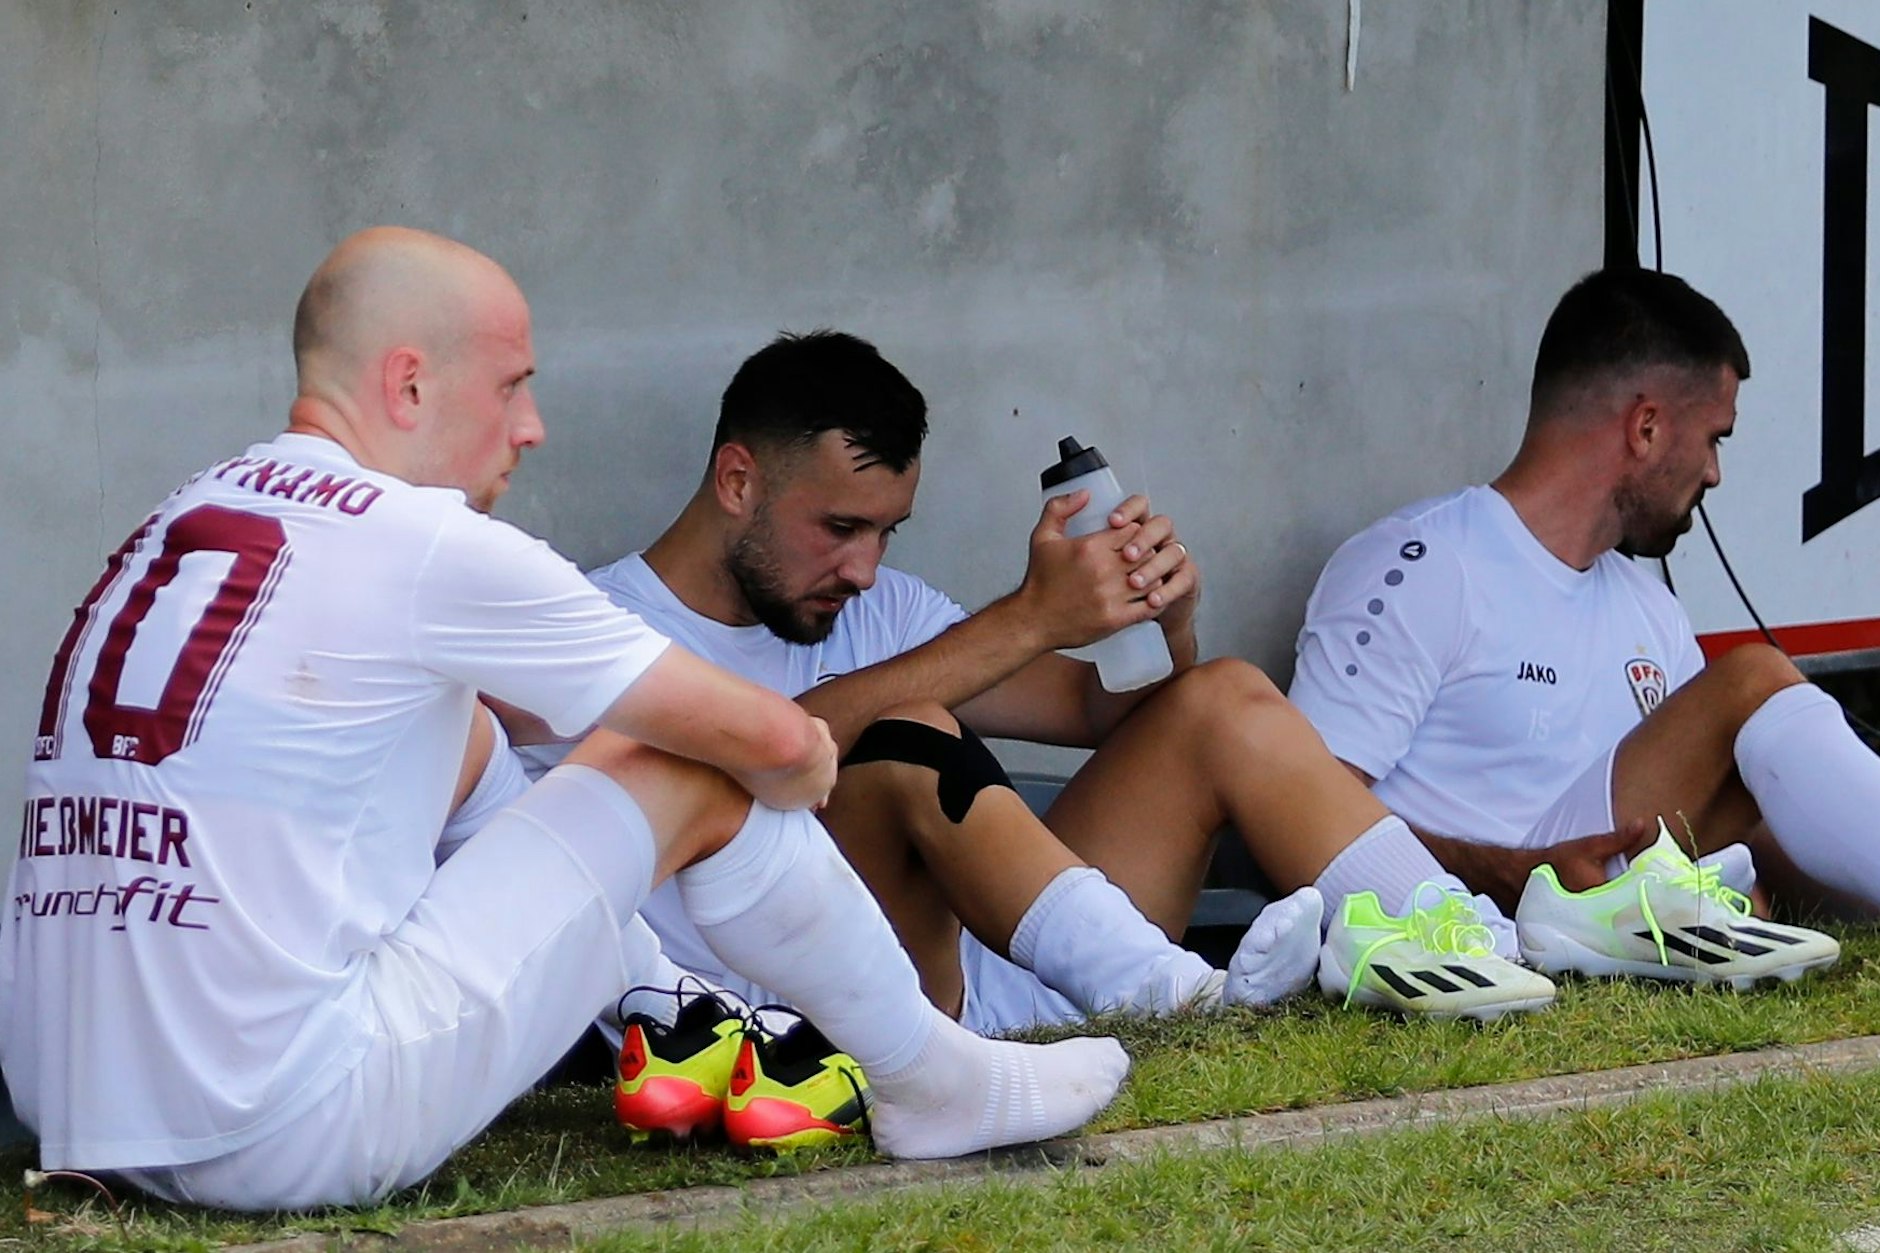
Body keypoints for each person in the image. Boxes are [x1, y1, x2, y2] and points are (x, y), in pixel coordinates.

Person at [0, 229, 1130, 1212]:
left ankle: (675, 1016)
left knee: (468, 736)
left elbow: (481, 755)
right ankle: (933, 1076)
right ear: (406, 384)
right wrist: (774, 796)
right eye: (511, 385)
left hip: (76, 1107)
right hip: (271, 1125)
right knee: (690, 758)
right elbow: (773, 742)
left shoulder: (185, 513)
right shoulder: (422, 541)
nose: (532, 426)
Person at [529, 329, 1561, 1040]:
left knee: (1222, 698)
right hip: (844, 1017)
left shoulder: (872, 606)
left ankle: (1473, 943)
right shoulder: (595, 625)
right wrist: (1026, 617)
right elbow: (751, 748)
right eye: (839, 528)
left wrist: (1154, 622)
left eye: (886, 532)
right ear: (738, 480)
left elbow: (1092, 711)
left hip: (1028, 978)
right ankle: (1177, 999)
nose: (863, 568)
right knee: (903, 737)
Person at [1289, 267, 1873, 973]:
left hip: (1605, 908)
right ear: (1647, 426)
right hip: (1473, 918)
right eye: (1714, 438)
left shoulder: (1650, 607)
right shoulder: (1421, 562)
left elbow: (1731, 828)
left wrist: (1755, 884)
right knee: (1751, 677)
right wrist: (1503, 869)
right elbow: (1296, 807)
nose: (1714, 473)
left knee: (1760, 784)